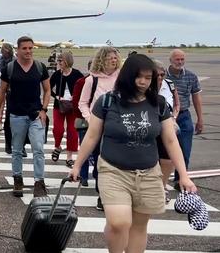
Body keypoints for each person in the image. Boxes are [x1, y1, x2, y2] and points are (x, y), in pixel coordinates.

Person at [68, 54, 197, 253]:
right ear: (128, 76)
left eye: (148, 77)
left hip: (148, 174)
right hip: (114, 172)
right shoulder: (107, 101)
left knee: (138, 226)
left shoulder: (159, 104)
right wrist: (77, 165)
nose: (143, 82)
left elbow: (171, 141)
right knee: (119, 223)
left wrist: (184, 176)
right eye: (139, 77)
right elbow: (92, 136)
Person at [0, 36, 50, 198]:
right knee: (17, 149)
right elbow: (2, 91)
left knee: (38, 149)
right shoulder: (10, 68)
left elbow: (47, 90)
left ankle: (39, 182)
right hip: (16, 115)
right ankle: (17, 179)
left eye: (30, 48)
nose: (28, 51)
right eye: (24, 48)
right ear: (17, 50)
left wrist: (44, 110)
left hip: (35, 115)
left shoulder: (40, 67)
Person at [78, 46, 120, 210]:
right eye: (110, 58)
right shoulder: (91, 80)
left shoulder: (121, 79)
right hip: (98, 126)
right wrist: (90, 119)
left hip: (116, 125)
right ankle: (101, 192)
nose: (114, 60)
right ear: (102, 60)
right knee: (97, 161)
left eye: (115, 57)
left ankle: (107, 194)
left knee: (113, 161)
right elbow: (83, 103)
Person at [166, 49, 203, 186]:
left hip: (184, 115)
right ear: (170, 60)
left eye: (182, 59)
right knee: (164, 152)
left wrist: (200, 119)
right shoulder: (162, 76)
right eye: (177, 59)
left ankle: (180, 179)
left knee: (185, 150)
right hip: (166, 117)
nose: (180, 62)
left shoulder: (191, 76)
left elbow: (196, 97)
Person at [49, 51, 84, 167]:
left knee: (72, 132)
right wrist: (56, 96)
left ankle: (69, 157)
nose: (58, 63)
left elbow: (84, 87)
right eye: (58, 61)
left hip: (73, 106)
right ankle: (57, 146)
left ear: (67, 61)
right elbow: (48, 87)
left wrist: (77, 97)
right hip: (59, 105)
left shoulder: (77, 74)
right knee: (58, 129)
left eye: (60, 61)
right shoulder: (57, 74)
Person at [154, 60, 180, 202]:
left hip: (167, 122)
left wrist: (174, 117)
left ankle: (162, 186)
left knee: (168, 158)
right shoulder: (145, 85)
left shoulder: (169, 84)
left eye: (162, 74)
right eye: (156, 75)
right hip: (151, 123)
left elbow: (176, 103)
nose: (159, 77)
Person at [0, 43, 17, 155]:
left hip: (15, 91)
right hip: (6, 89)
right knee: (8, 118)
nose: (3, 53)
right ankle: (8, 144)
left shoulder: (14, 60)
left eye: (4, 51)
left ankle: (20, 145)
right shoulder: (2, 60)